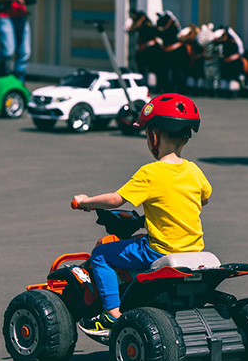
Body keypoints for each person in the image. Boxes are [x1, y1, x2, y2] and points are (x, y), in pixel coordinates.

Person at [72, 94, 211, 337]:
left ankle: (111, 314)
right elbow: (204, 198)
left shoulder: (151, 173)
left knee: (102, 254)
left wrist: (86, 202)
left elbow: (116, 200)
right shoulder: (193, 170)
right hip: (194, 249)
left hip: (160, 249)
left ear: (154, 135)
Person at [0, 0, 37, 83]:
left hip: (21, 15)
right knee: (8, 51)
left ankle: (19, 82)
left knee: (24, 52)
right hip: (4, 15)